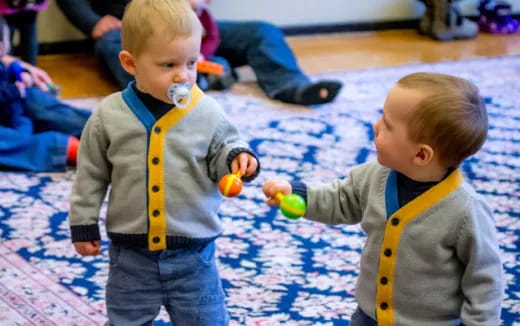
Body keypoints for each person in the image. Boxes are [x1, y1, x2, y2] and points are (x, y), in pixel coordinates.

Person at [68, 0, 259, 324]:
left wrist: (237, 159)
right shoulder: (109, 115)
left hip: (193, 256)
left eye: (191, 63)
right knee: (125, 320)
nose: (183, 76)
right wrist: (83, 221)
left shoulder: (207, 111)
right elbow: (91, 174)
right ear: (130, 63)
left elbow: (226, 146)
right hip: (131, 258)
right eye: (168, 65)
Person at [263, 72, 503, 325]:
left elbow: (484, 278)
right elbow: (341, 199)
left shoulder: (466, 211)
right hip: (370, 315)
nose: (375, 126)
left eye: (387, 125)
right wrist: (299, 194)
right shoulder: (372, 177)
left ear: (421, 155)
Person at [56, 0, 343, 106]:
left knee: (262, 31)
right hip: (133, 29)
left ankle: (291, 87)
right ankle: (157, 97)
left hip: (189, 28)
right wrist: (92, 22)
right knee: (111, 43)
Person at [0, 16, 90, 172]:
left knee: (40, 103)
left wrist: (15, 65)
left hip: (11, 100)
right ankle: (69, 149)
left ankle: (109, 128)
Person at [188, 0, 235, 91]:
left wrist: (202, 54)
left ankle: (216, 81)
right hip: (184, 58)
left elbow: (213, 38)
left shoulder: (204, 14)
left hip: (202, 58)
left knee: (222, 64)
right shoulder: (176, 15)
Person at [0, 0, 49, 64]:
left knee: (8, 43)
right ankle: (29, 69)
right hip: (27, 7)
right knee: (28, 38)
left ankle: (10, 69)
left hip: (16, 8)